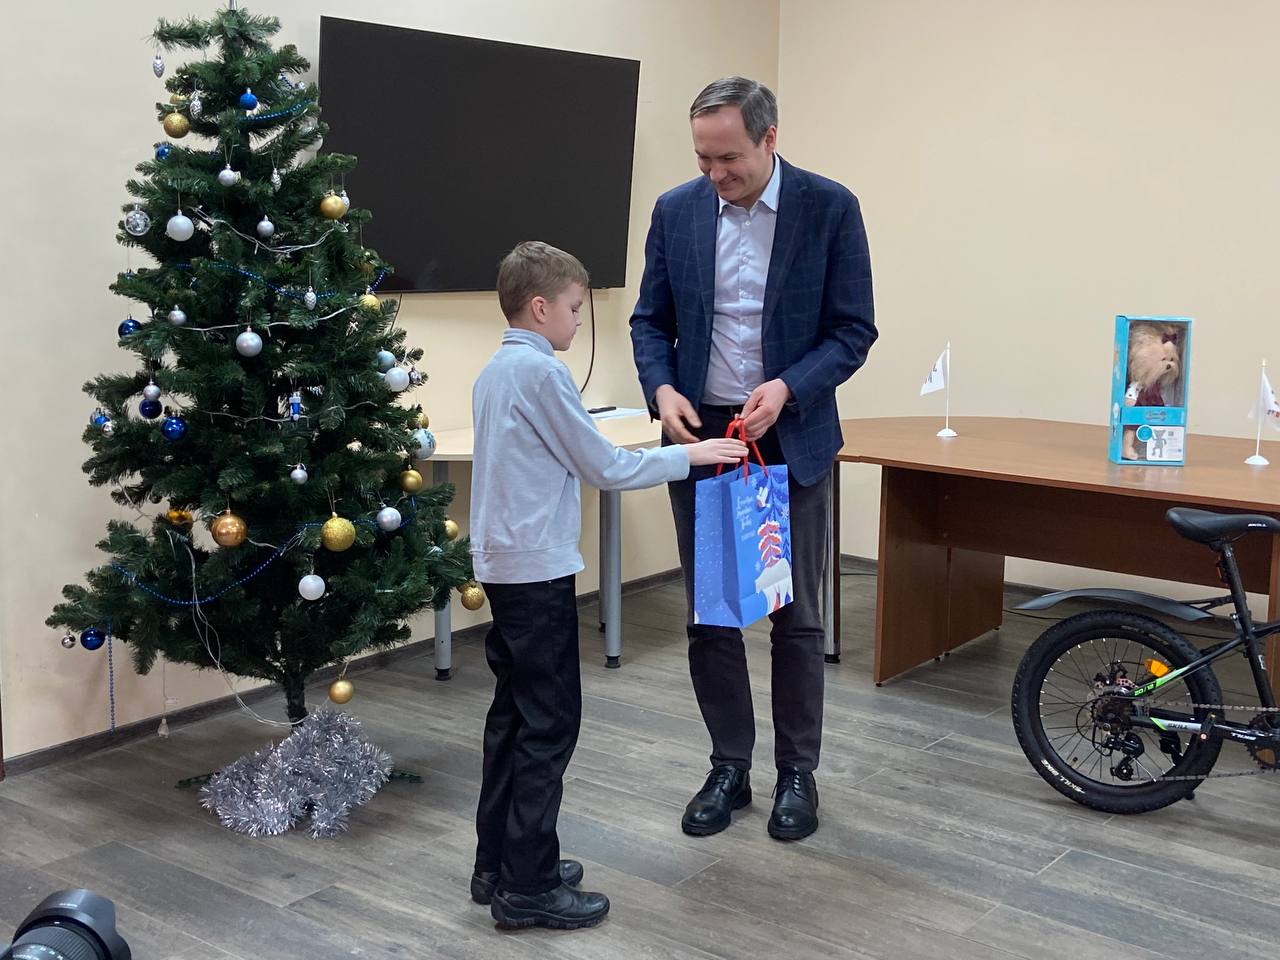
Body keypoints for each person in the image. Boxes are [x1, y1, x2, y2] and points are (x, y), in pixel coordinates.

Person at [469, 240, 747, 929]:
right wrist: (691, 455)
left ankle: (499, 863)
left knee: (513, 716)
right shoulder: (542, 373)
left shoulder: (496, 370)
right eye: (574, 309)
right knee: (549, 723)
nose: (578, 321)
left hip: (503, 566)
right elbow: (605, 468)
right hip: (536, 571)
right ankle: (528, 888)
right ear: (540, 307)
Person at [630, 77, 877, 841]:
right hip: (706, 437)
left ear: (770, 138)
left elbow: (853, 330)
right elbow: (650, 322)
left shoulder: (829, 207)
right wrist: (661, 388)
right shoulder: (676, 211)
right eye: (703, 159)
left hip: (787, 436)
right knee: (713, 614)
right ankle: (728, 767)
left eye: (729, 158)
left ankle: (797, 773)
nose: (715, 174)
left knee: (794, 616)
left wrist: (788, 387)